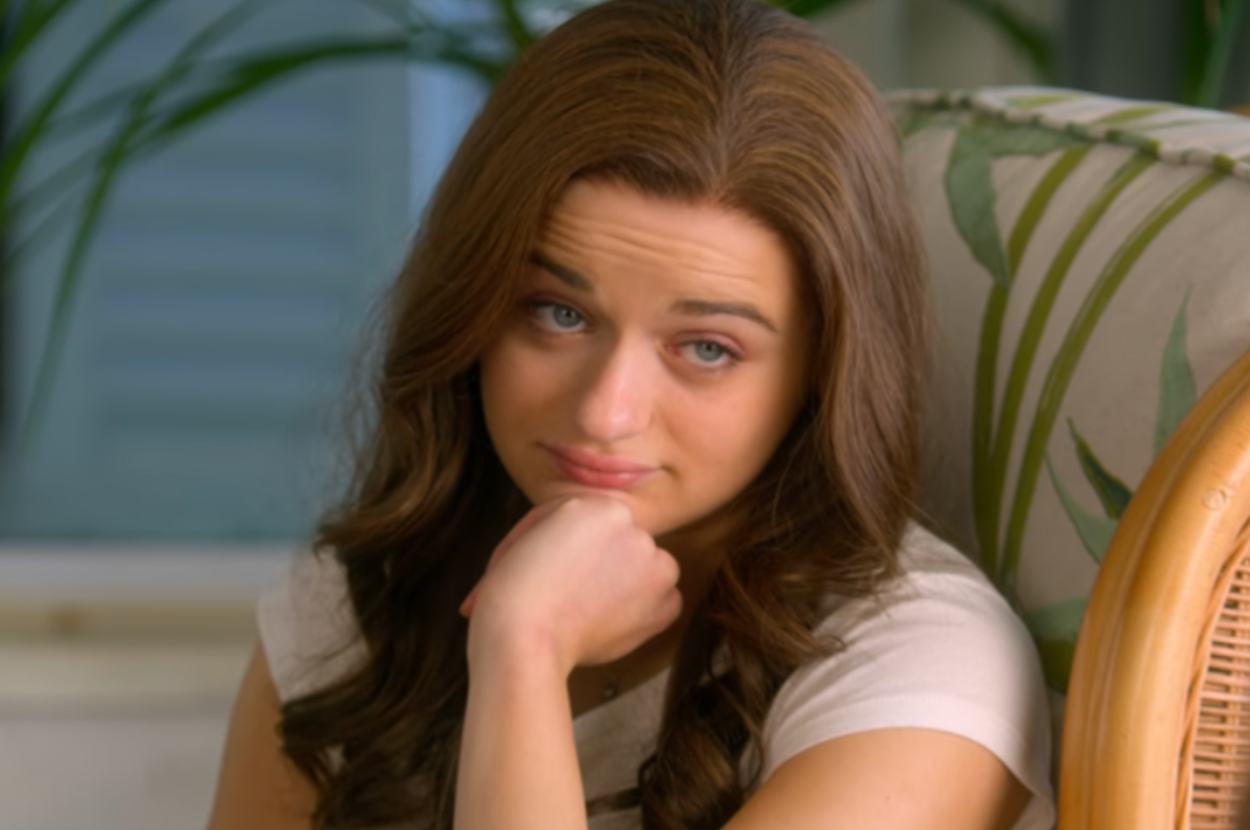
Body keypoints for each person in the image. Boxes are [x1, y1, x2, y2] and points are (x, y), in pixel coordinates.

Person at [206, 1, 1056, 828]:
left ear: (822, 370)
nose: (606, 413)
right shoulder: (367, 598)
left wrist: (522, 651)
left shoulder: (922, 673)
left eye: (708, 348)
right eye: (558, 313)